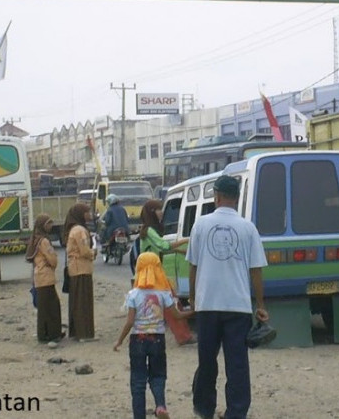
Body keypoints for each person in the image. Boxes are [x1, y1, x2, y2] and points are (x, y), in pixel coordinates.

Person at [187, 175, 269, 419]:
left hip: (208, 304)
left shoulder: (200, 225)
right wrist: (261, 305)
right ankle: (236, 412)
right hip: (238, 306)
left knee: (207, 361)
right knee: (237, 364)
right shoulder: (248, 227)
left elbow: (193, 266)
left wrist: (193, 298)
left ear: (217, 196)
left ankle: (204, 409)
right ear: (236, 198)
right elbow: (256, 270)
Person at [114, 252, 194, 419]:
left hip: (138, 340)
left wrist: (119, 341)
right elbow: (177, 315)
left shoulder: (133, 294)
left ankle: (139, 415)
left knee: (138, 381)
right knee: (158, 376)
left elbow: (129, 322)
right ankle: (160, 406)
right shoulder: (163, 293)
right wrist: (194, 312)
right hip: (158, 339)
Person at [136, 199, 193, 345]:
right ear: (151, 213)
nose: (161, 212)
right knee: (171, 304)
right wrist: (185, 240)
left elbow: (161, 248)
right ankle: (183, 336)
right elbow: (163, 245)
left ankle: (182, 336)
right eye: (158, 209)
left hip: (150, 272)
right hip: (153, 272)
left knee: (157, 306)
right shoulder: (149, 230)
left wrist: (180, 251)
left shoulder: (149, 230)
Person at [25, 213, 64, 345]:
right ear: (43, 225)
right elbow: (52, 260)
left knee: (43, 308)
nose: (51, 226)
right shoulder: (44, 241)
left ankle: (44, 333)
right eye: (49, 223)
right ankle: (53, 334)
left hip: (39, 277)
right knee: (52, 307)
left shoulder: (35, 239)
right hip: (46, 277)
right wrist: (53, 261)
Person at [63, 202, 97, 341]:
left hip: (76, 269)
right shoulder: (79, 230)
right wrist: (93, 253)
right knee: (83, 303)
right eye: (87, 212)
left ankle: (77, 332)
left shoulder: (74, 229)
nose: (89, 215)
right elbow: (84, 251)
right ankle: (84, 333)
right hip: (81, 269)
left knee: (77, 302)